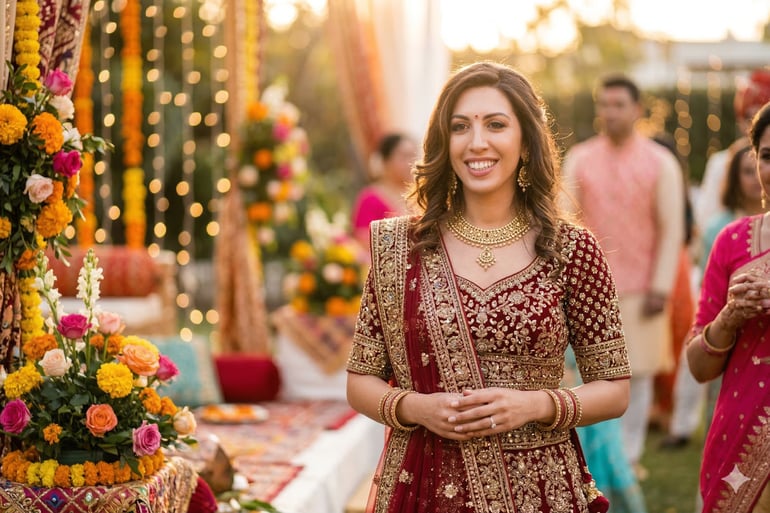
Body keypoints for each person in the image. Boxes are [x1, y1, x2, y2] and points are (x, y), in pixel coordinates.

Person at [346, 61, 631, 513]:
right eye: (460, 127)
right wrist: (415, 408)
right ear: (445, 141)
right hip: (425, 486)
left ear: (525, 139)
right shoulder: (398, 247)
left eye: (496, 124)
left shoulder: (572, 249)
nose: (477, 142)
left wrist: (537, 405)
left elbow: (614, 390)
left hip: (541, 489)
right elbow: (360, 379)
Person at [561, 74, 685, 476]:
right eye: (604, 104)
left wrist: (661, 286)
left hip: (642, 286)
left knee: (640, 370)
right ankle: (591, 460)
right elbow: (564, 221)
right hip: (586, 288)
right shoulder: (580, 158)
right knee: (587, 374)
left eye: (618, 105)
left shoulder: (659, 162)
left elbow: (672, 227)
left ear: (637, 110)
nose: (610, 112)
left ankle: (628, 458)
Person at [686, 101, 770, 513]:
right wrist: (730, 318)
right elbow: (699, 367)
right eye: (768, 156)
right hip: (740, 434)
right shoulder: (732, 242)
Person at [663, 141, 761, 449]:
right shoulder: (722, 230)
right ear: (733, 177)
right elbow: (712, 292)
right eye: (748, 171)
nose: (757, 178)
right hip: (728, 344)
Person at [695, 68, 770, 231]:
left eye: (763, 114)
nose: (758, 123)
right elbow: (706, 221)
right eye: (750, 116)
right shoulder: (721, 163)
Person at [351, 132, 419, 246]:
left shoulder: (421, 194)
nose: (410, 163)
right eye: (403, 156)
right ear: (386, 161)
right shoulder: (370, 199)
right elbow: (364, 241)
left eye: (413, 156)